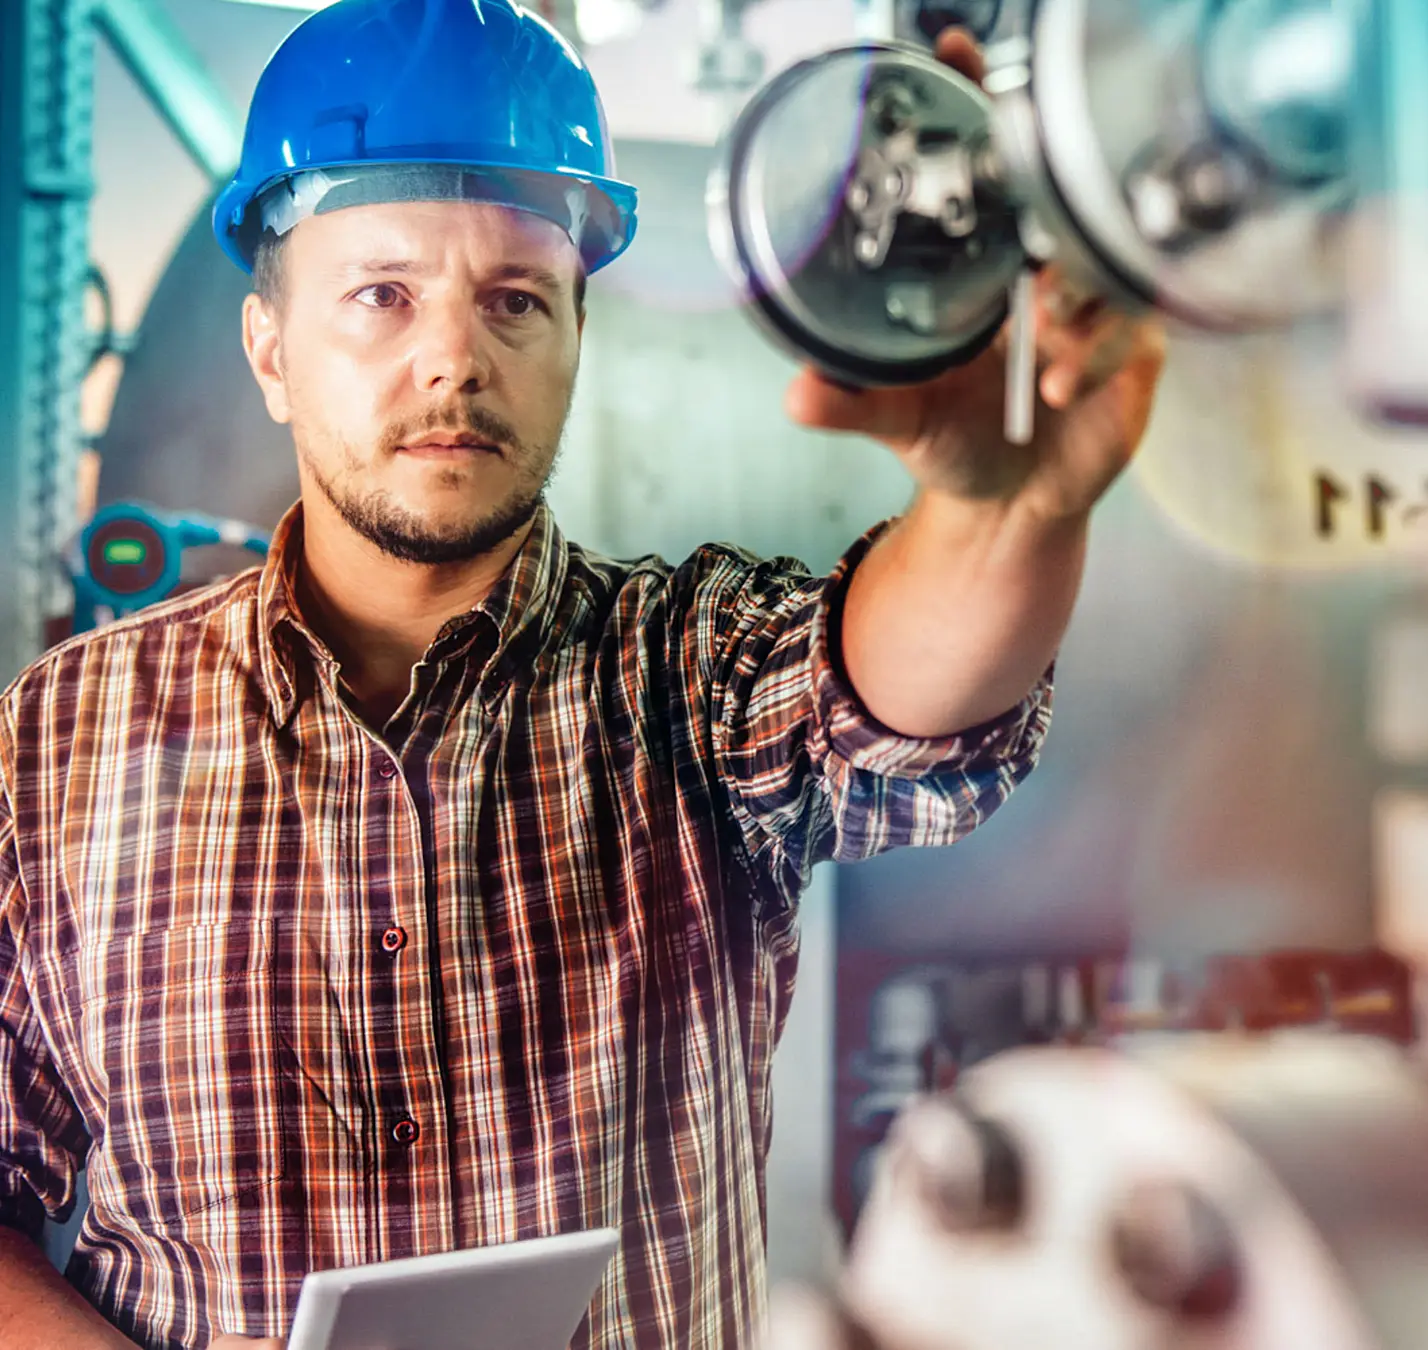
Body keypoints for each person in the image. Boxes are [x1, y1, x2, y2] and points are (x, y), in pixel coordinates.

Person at [0, 1, 1162, 1347]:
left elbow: (905, 693)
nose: (453, 356)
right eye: (381, 295)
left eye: (514, 301)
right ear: (270, 349)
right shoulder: (58, 743)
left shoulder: (690, 677)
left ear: (571, 338)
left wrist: (1003, 510)